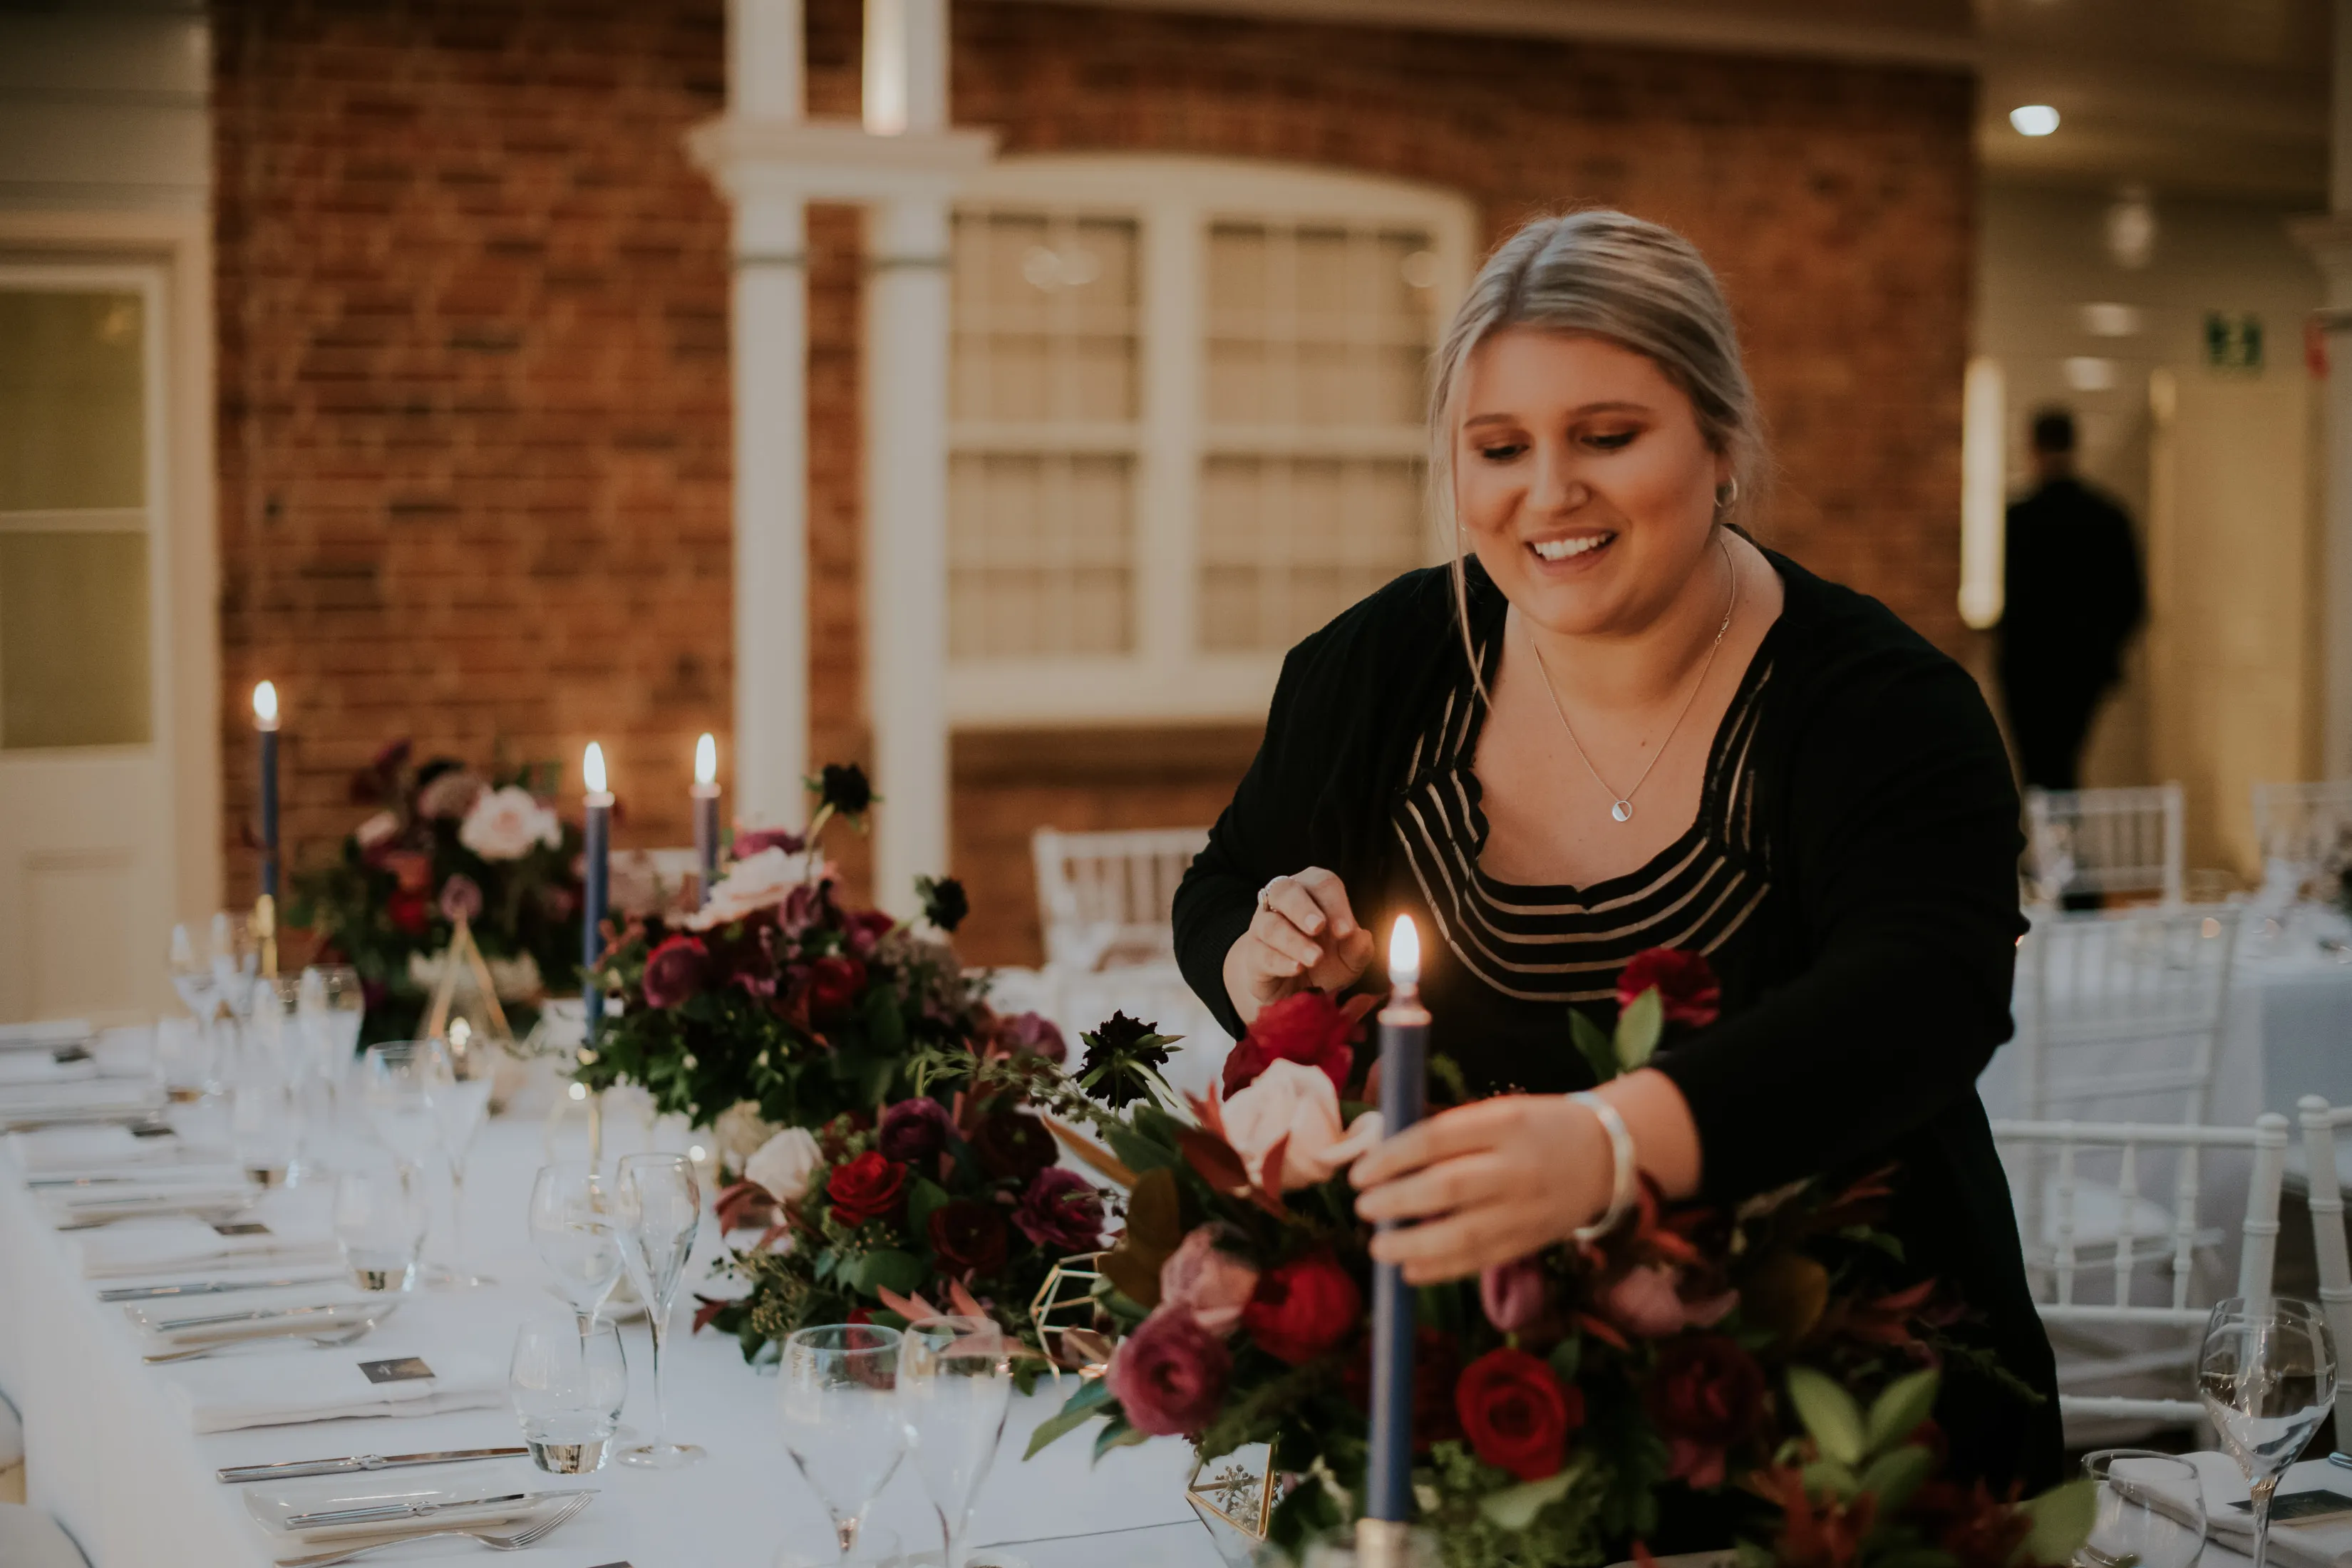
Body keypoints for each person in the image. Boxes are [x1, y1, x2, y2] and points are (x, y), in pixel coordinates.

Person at [1172, 210, 2060, 1498]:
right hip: (1488, 1440)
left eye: (1607, 436)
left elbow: (1927, 994)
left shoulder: (1881, 705)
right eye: (1499, 448)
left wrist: (1609, 1145)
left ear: (1721, 441)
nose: (1549, 493)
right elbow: (1222, 883)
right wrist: (1262, 968)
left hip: (1847, 1438)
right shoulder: (1373, 671)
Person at [1998, 408, 2145, 791]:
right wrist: (2102, 653)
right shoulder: (2109, 518)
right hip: (2083, 667)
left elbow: (2014, 599)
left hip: (2028, 667)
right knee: (2063, 764)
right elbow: (2132, 603)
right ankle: (2062, 845)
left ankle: (2054, 846)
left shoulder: (2019, 519)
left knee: (2040, 768)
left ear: (2033, 447)